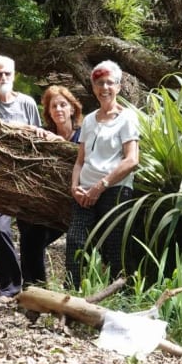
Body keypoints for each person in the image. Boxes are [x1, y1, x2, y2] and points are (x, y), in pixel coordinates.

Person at [0, 55, 55, 305]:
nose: (3, 78)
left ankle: (34, 287)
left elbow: (38, 137)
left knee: (31, 232)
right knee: (0, 229)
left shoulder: (27, 104)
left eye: (7, 74)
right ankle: (8, 286)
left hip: (27, 177)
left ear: (14, 75)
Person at [65, 60, 140, 288]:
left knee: (115, 246)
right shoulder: (88, 120)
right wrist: (74, 186)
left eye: (109, 83)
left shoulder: (127, 118)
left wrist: (101, 185)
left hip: (114, 190)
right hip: (85, 191)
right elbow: (80, 160)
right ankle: (72, 295)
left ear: (118, 87)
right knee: (75, 240)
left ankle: (119, 298)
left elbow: (132, 159)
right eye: (99, 83)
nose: (104, 88)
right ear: (93, 86)